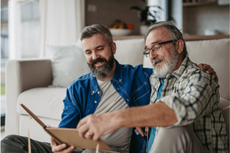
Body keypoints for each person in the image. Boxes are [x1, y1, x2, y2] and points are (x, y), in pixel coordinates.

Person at [1, 24, 218, 153]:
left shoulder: (139, 76)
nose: (94, 57)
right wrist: (59, 144)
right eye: (88, 52)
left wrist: (200, 68)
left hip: (109, 152)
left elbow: (174, 75)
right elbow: (65, 131)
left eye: (100, 49)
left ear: (112, 48)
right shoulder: (78, 88)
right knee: (9, 143)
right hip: (79, 150)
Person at [76, 22, 228, 153]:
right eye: (148, 50)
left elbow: (185, 109)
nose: (152, 56)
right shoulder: (154, 79)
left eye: (156, 47)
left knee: (172, 125)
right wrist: (147, 118)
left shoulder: (201, 77)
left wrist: (116, 118)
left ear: (179, 45)